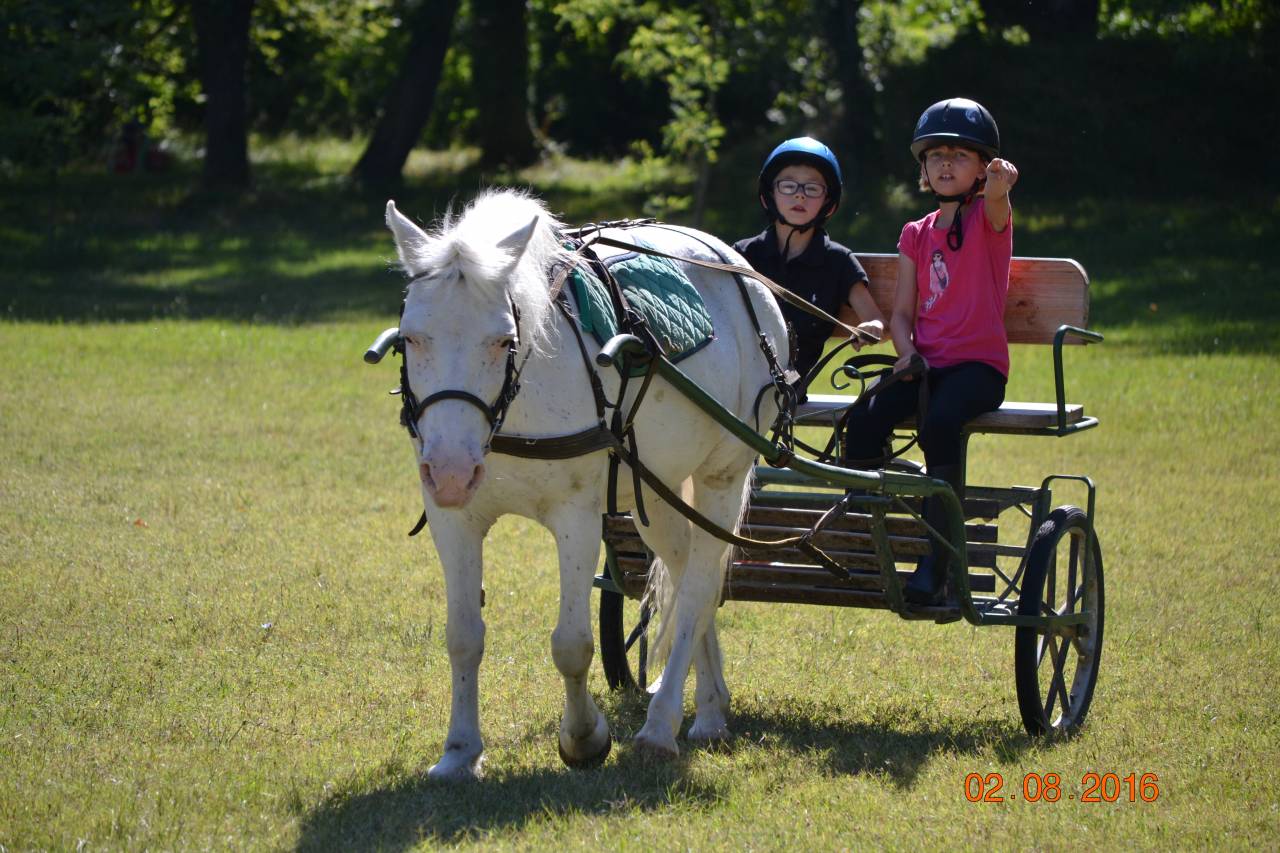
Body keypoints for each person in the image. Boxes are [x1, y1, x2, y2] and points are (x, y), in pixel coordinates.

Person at [842, 98, 1019, 605]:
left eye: (960, 156)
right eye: (936, 155)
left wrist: (1001, 187)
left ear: (982, 168)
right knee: (865, 419)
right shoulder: (916, 235)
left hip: (978, 369)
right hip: (925, 365)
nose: (946, 164)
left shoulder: (990, 219)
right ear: (922, 166)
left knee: (940, 424)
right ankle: (862, 540)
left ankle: (938, 560)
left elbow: (999, 204)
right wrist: (906, 353)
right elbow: (901, 313)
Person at [733, 137, 884, 391]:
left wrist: (871, 327)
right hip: (738, 376)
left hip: (791, 384)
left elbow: (875, 319)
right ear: (769, 194)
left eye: (813, 188)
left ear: (828, 201)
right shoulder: (745, 254)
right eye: (788, 185)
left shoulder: (838, 260)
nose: (800, 195)